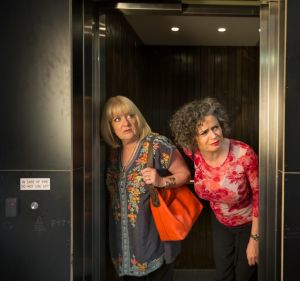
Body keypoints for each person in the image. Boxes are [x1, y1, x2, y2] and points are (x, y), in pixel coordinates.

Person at [101, 95, 191, 281]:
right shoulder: (112, 153)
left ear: (137, 118)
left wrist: (162, 181)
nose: (126, 123)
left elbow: (184, 174)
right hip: (123, 246)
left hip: (154, 240)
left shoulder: (156, 144)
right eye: (117, 119)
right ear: (110, 126)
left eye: (130, 116)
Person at [169, 97, 259, 281]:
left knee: (244, 276)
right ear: (192, 138)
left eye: (215, 127)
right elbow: (166, 147)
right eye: (204, 132)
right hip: (220, 222)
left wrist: (255, 239)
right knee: (223, 274)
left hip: (248, 223)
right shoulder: (193, 151)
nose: (214, 135)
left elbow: (260, 196)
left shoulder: (244, 154)